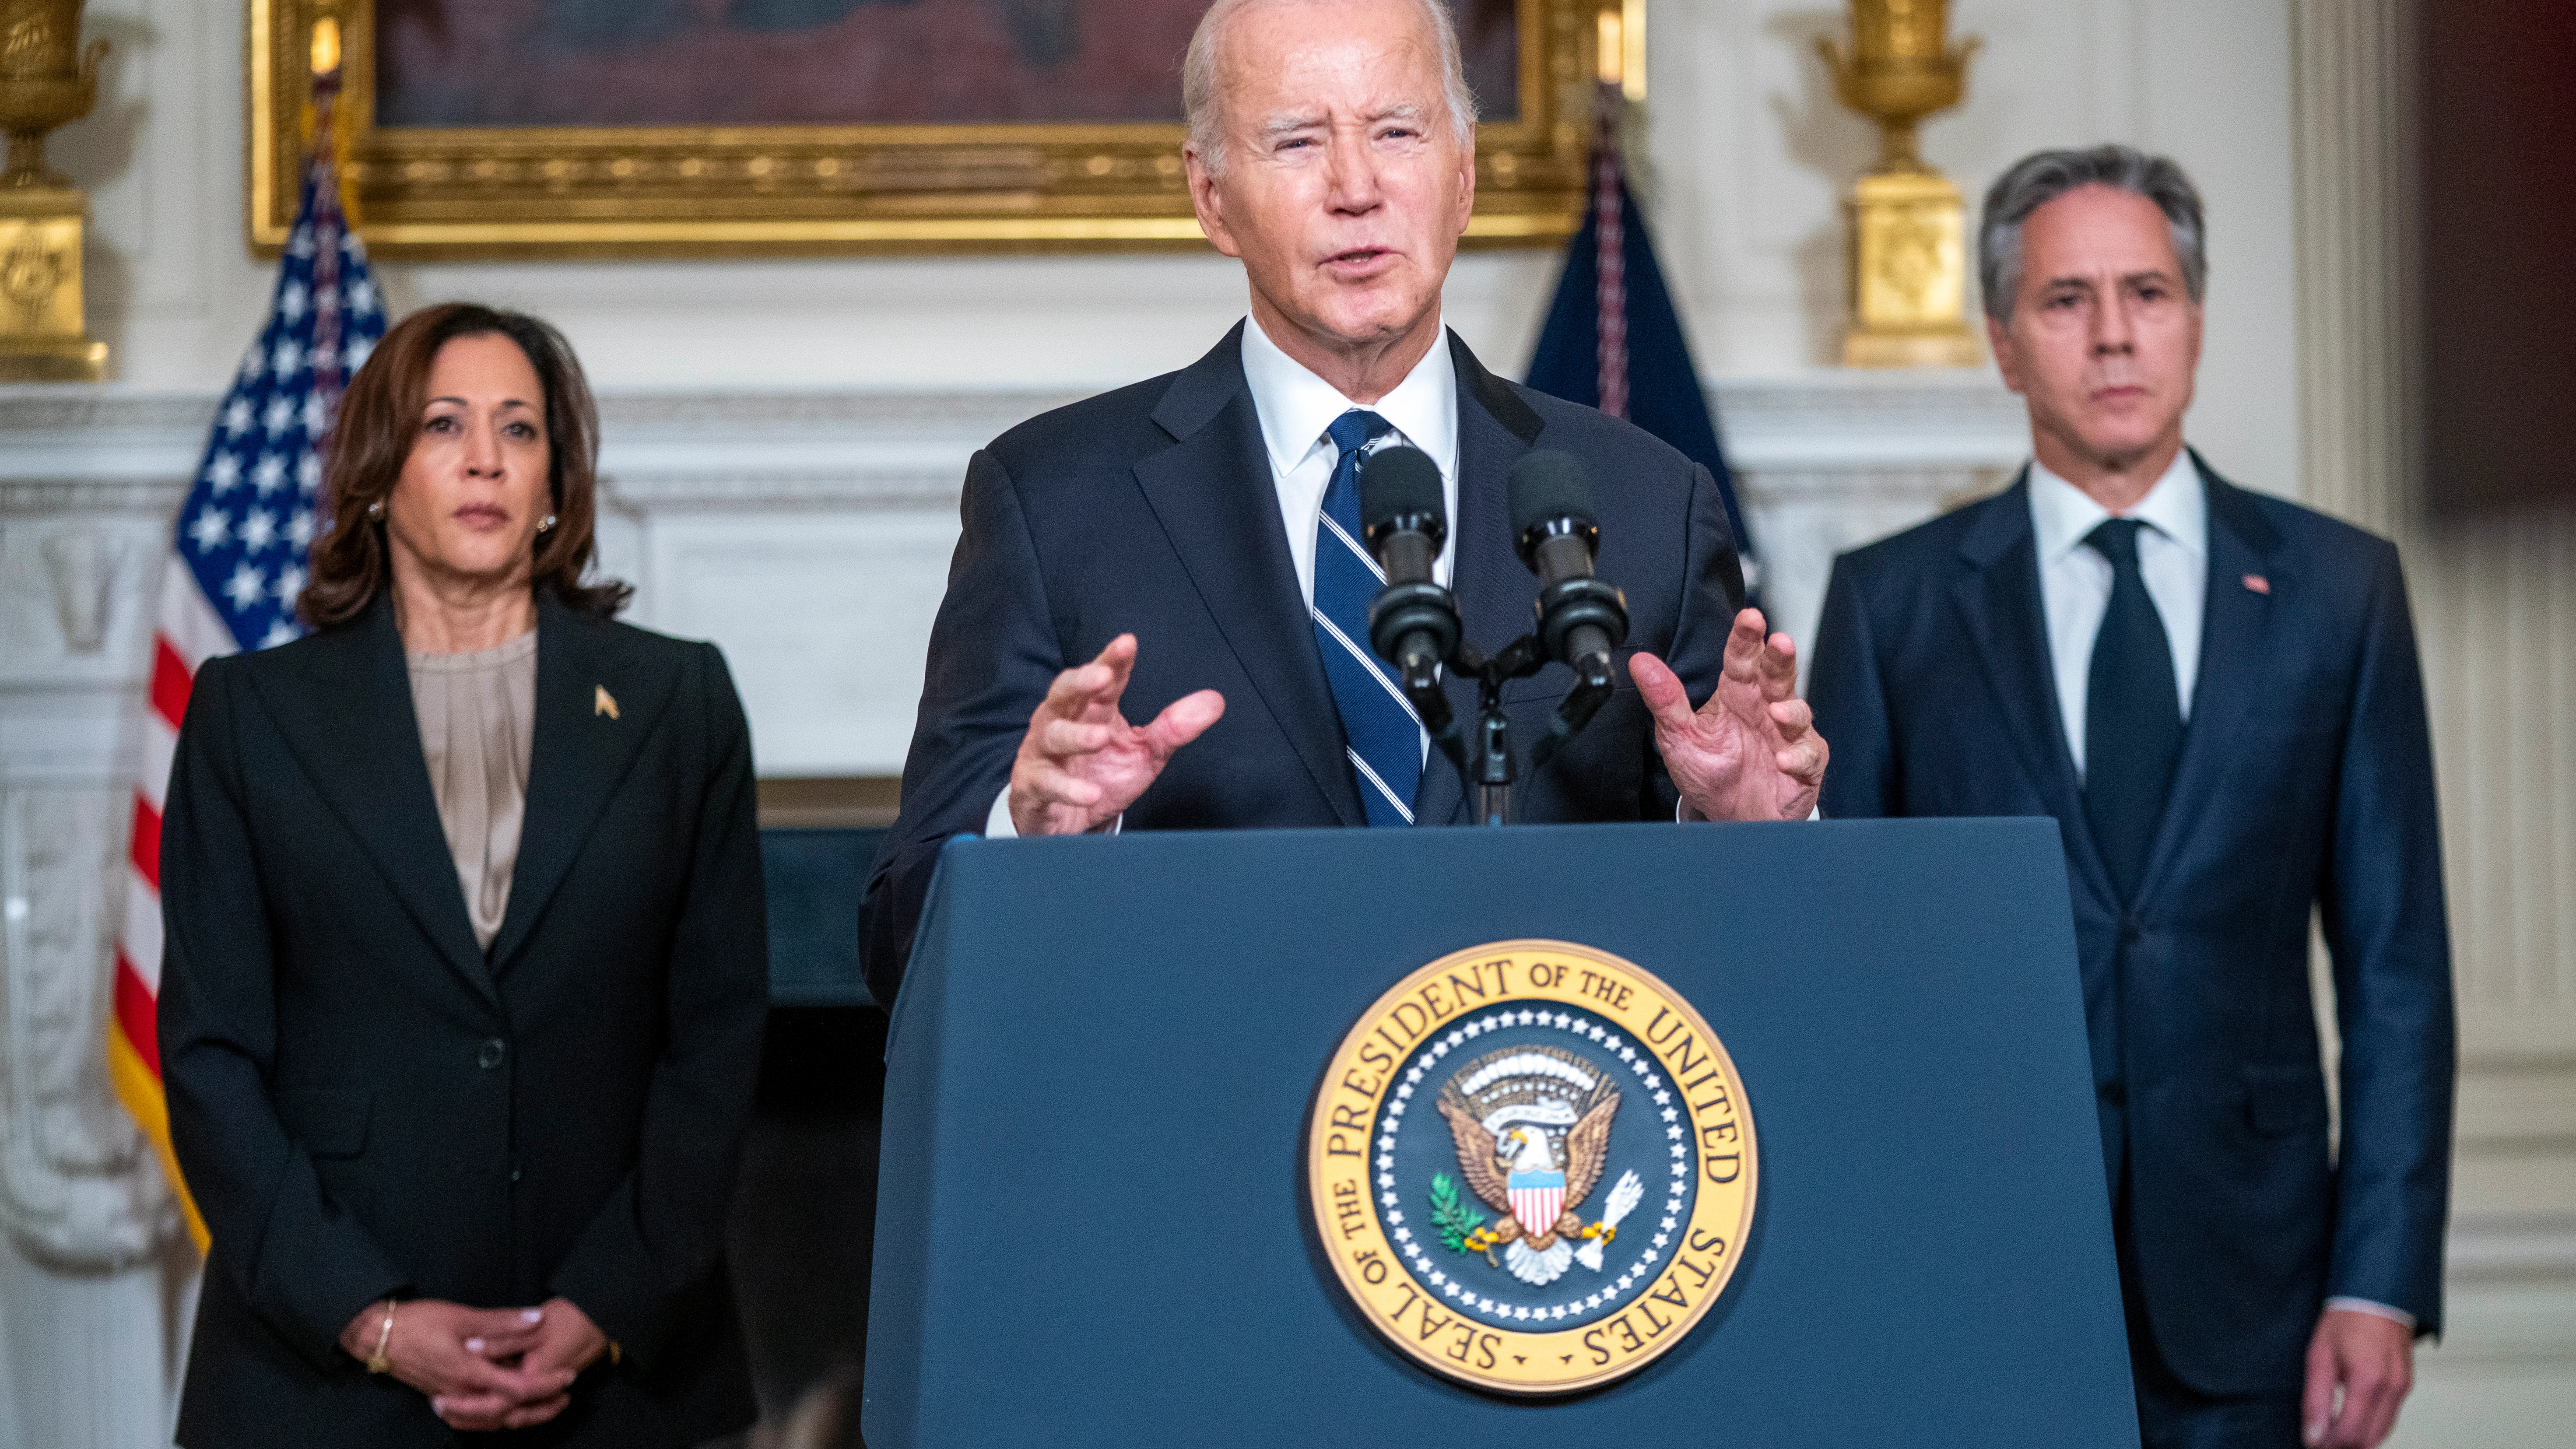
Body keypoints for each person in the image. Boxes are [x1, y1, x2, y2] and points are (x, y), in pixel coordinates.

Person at [861, 0, 1827, 995]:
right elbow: (901, 943)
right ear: (1211, 196)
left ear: (1464, 173)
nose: (1356, 189)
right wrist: (1034, 836)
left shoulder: (1644, 498)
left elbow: (1758, 955)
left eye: (1398, 132)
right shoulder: (1054, 500)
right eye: (1296, 141)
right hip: (1203, 1124)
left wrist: (1742, 822)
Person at [1806, 147, 2453, 1449]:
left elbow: (2394, 970)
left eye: (2146, 292)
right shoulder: (1892, 604)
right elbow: (1843, 975)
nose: (2111, 335)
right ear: (2000, 340)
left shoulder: (2339, 592)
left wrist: (2376, 1277)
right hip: (1977, 1279)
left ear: (2194, 322)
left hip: (2260, 1288)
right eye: (2063, 300)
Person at [158, 303, 768, 1445]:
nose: (486, 457)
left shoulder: (679, 703)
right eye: (445, 424)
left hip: (618, 1375)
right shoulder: (249, 714)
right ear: (380, 472)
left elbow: (718, 1036)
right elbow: (209, 1053)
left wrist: (607, 1301)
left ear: (555, 483)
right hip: (318, 1377)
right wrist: (366, 1313)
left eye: (520, 429)